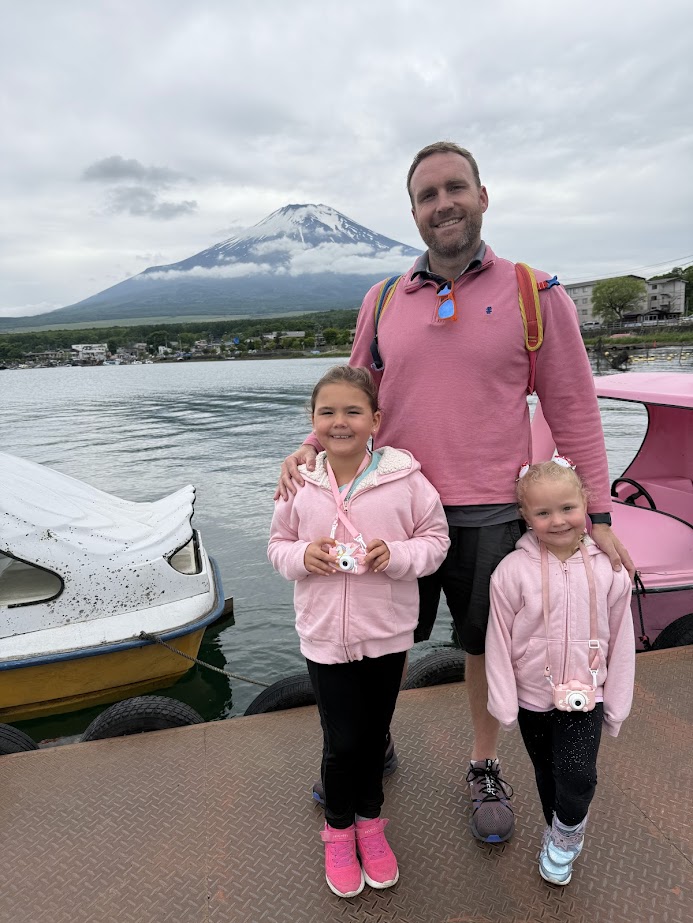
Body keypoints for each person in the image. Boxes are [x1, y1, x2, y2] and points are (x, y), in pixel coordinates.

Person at [275, 141, 634, 845]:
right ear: (412, 212)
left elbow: (573, 408)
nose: (442, 204)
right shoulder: (382, 300)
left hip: (488, 511)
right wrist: (309, 449)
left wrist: (596, 515)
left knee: (483, 645)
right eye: (426, 195)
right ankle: (364, 747)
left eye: (453, 188)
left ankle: (482, 761)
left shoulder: (535, 293)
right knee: (378, 640)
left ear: (481, 195)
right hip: (390, 505)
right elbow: (354, 396)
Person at [268, 365, 449, 898]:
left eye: (353, 411)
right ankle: (338, 830)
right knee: (341, 739)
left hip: (387, 632)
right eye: (328, 412)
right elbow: (278, 545)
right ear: (312, 420)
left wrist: (396, 556)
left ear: (376, 419)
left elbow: (435, 540)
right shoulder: (298, 481)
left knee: (372, 737)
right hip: (324, 635)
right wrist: (304, 555)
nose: (340, 422)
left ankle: (372, 824)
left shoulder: (407, 481)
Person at [486, 460, 634, 885]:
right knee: (547, 771)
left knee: (578, 776)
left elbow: (622, 639)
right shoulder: (511, 573)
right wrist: (504, 703)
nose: (557, 521)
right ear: (524, 516)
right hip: (534, 695)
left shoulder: (609, 569)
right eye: (543, 513)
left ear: (586, 503)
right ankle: (556, 827)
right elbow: (498, 639)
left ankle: (567, 834)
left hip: (588, 693)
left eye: (567, 508)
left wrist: (618, 703)